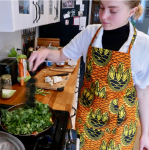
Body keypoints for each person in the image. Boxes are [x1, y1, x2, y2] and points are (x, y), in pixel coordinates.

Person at [28, 0, 149, 149]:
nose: (103, 16)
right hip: (89, 116)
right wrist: (45, 52)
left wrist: (146, 134)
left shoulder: (144, 45)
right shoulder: (90, 33)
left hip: (121, 124)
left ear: (131, 12)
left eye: (113, 11)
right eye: (102, 7)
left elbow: (143, 92)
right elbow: (61, 54)